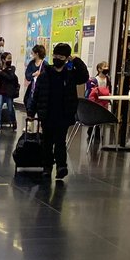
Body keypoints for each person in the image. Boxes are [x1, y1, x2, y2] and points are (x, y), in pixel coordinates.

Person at [29, 42, 88, 180]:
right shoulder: (45, 74)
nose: (57, 58)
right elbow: (36, 94)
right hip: (47, 113)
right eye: (55, 55)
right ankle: (47, 167)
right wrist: (31, 112)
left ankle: (61, 166)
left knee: (61, 141)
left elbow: (84, 76)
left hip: (63, 113)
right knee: (47, 142)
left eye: (61, 56)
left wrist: (75, 60)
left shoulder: (70, 75)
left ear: (66, 58)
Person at [0, 52, 20, 130]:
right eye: (8, 58)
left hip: (8, 92)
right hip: (0, 91)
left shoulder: (11, 68)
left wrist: (1, 72)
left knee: (10, 109)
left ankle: (13, 121)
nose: (10, 60)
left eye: (10, 58)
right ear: (3, 60)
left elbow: (10, 77)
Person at [86, 62, 111, 144]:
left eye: (107, 66)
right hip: (97, 101)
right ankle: (93, 130)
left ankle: (97, 131)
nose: (106, 68)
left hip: (104, 100)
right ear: (99, 69)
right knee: (96, 116)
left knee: (101, 116)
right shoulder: (94, 80)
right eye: (104, 67)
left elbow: (109, 89)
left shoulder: (108, 79)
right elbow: (92, 92)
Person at [23, 44, 45, 113]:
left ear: (37, 54)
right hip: (32, 90)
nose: (31, 55)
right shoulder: (31, 63)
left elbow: (46, 78)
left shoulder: (45, 64)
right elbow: (27, 76)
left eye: (32, 53)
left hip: (41, 90)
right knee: (29, 105)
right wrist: (33, 74)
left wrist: (40, 75)